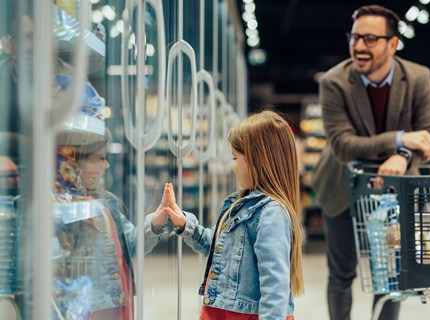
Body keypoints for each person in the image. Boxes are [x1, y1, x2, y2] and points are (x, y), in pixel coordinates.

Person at [311, 5, 430, 320]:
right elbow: (344, 146)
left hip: (391, 193)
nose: (358, 47)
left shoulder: (418, 78)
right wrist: (400, 138)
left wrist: (404, 154)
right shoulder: (334, 82)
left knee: (389, 276)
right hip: (342, 187)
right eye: (355, 37)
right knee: (341, 274)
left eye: (370, 39)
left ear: (393, 44)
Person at [150, 110, 305, 319]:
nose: (233, 167)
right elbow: (217, 247)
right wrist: (185, 223)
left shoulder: (271, 214)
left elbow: (275, 287)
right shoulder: (239, 204)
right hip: (223, 311)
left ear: (259, 160)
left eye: (235, 157)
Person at [53, 129, 166, 319]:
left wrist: (154, 223)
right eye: (99, 158)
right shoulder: (61, 209)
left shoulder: (107, 202)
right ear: (74, 162)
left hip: (116, 300)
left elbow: (131, 245)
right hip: (88, 307)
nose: (106, 166)